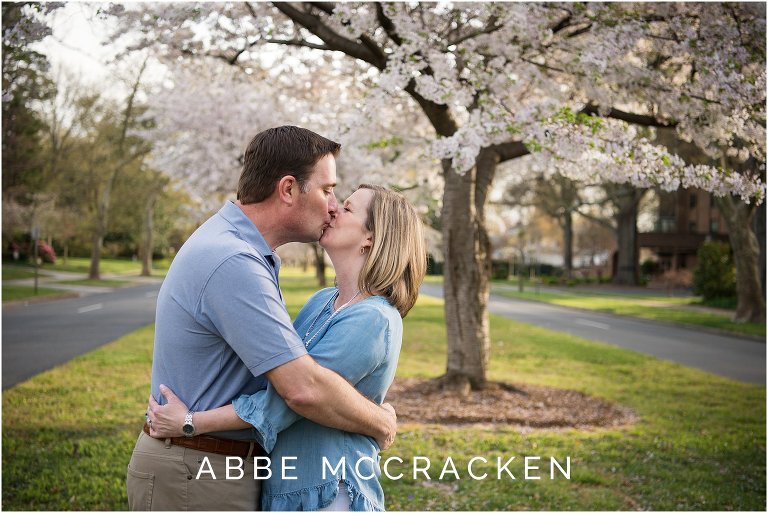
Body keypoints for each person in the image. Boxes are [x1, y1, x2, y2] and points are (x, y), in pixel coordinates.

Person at [126, 127, 397, 511]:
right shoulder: (235, 261)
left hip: (208, 465)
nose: (334, 205)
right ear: (288, 189)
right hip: (197, 470)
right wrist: (380, 423)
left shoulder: (240, 250)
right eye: (327, 189)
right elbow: (301, 387)